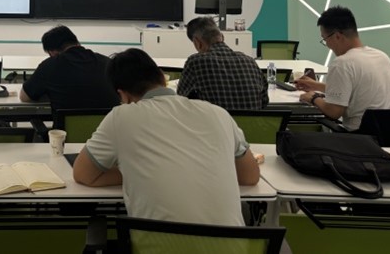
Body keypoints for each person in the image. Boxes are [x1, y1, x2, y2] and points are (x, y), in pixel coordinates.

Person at [73, 48, 259, 226]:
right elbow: (250, 176)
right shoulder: (218, 114)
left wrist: (138, 171)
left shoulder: (121, 117)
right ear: (163, 77)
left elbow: (83, 174)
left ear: (123, 95)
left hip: (154, 243)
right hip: (231, 242)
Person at [295, 5, 390, 130]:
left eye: (325, 39)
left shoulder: (342, 63)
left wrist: (313, 97)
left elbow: (334, 111)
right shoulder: (381, 56)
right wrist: (316, 86)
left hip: (363, 135)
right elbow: (357, 91)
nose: (327, 45)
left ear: (337, 36)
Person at [19, 25, 120, 115]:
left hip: (67, 130)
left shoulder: (50, 65)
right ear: (77, 42)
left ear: (52, 52)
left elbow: (24, 97)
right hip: (108, 128)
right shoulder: (107, 62)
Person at [177, 16, 268, 110]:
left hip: (213, 119)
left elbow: (181, 100)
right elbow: (264, 101)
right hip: (250, 119)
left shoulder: (196, 62)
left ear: (197, 43)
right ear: (222, 37)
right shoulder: (250, 61)